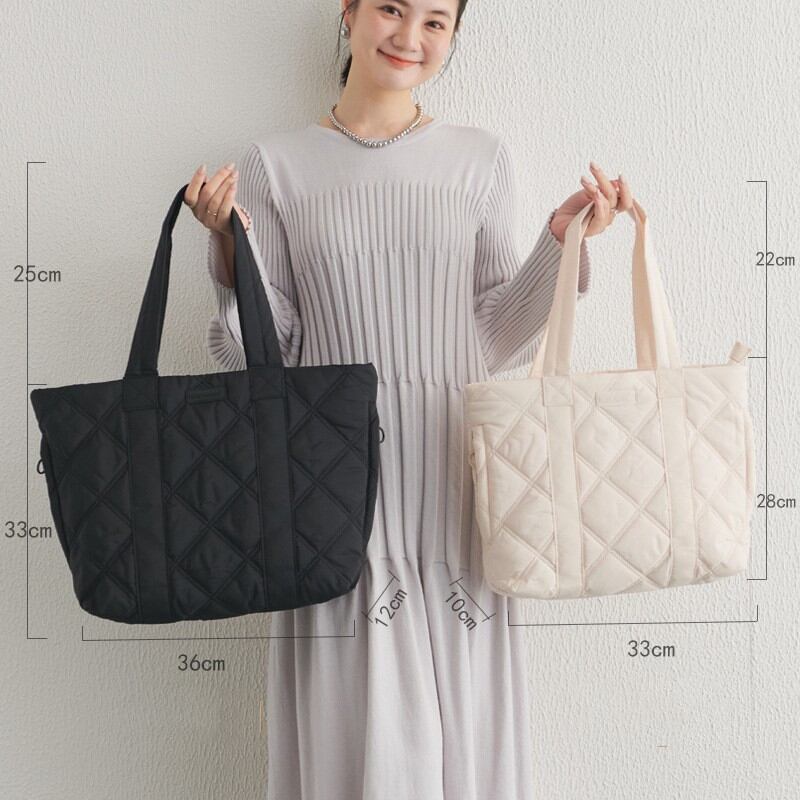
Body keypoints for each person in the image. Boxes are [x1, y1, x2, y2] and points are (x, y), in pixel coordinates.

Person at [183, 1, 633, 797]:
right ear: (350, 12)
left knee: (464, 747)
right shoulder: (275, 164)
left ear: (453, 35)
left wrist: (560, 246)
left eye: (435, 22)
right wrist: (226, 249)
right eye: (392, 8)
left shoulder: (480, 159)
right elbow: (265, 352)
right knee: (353, 743)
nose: (409, 36)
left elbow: (494, 334)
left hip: (455, 482)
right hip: (330, 490)